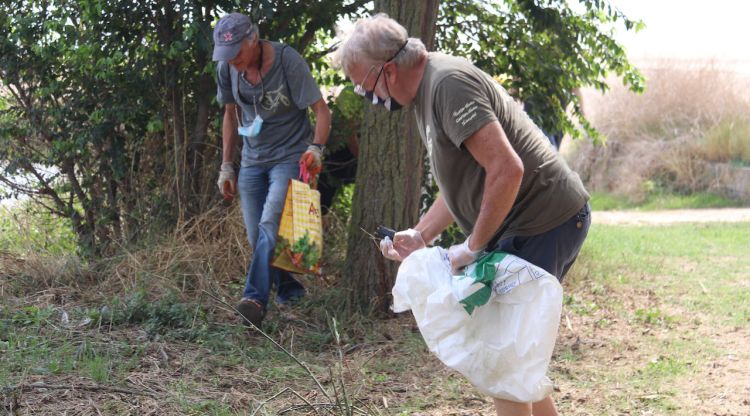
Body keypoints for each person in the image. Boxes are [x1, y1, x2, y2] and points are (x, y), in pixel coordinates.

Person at [333, 14, 590, 416]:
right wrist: (421, 235)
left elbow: (508, 169)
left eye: (362, 84)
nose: (363, 94)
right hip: (524, 223)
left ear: (387, 71)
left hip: (544, 219)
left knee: (504, 361)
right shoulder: (425, 92)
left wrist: (471, 248)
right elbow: (462, 184)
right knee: (513, 360)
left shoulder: (447, 85)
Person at [212, 12, 331, 329]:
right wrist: (227, 166)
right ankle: (290, 289)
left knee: (269, 225)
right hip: (252, 158)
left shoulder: (287, 60)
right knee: (257, 237)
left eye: (237, 53)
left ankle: (253, 299)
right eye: (226, 56)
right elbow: (229, 114)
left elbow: (321, 111)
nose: (232, 61)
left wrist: (315, 148)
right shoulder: (227, 68)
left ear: (253, 40)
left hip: (290, 155)